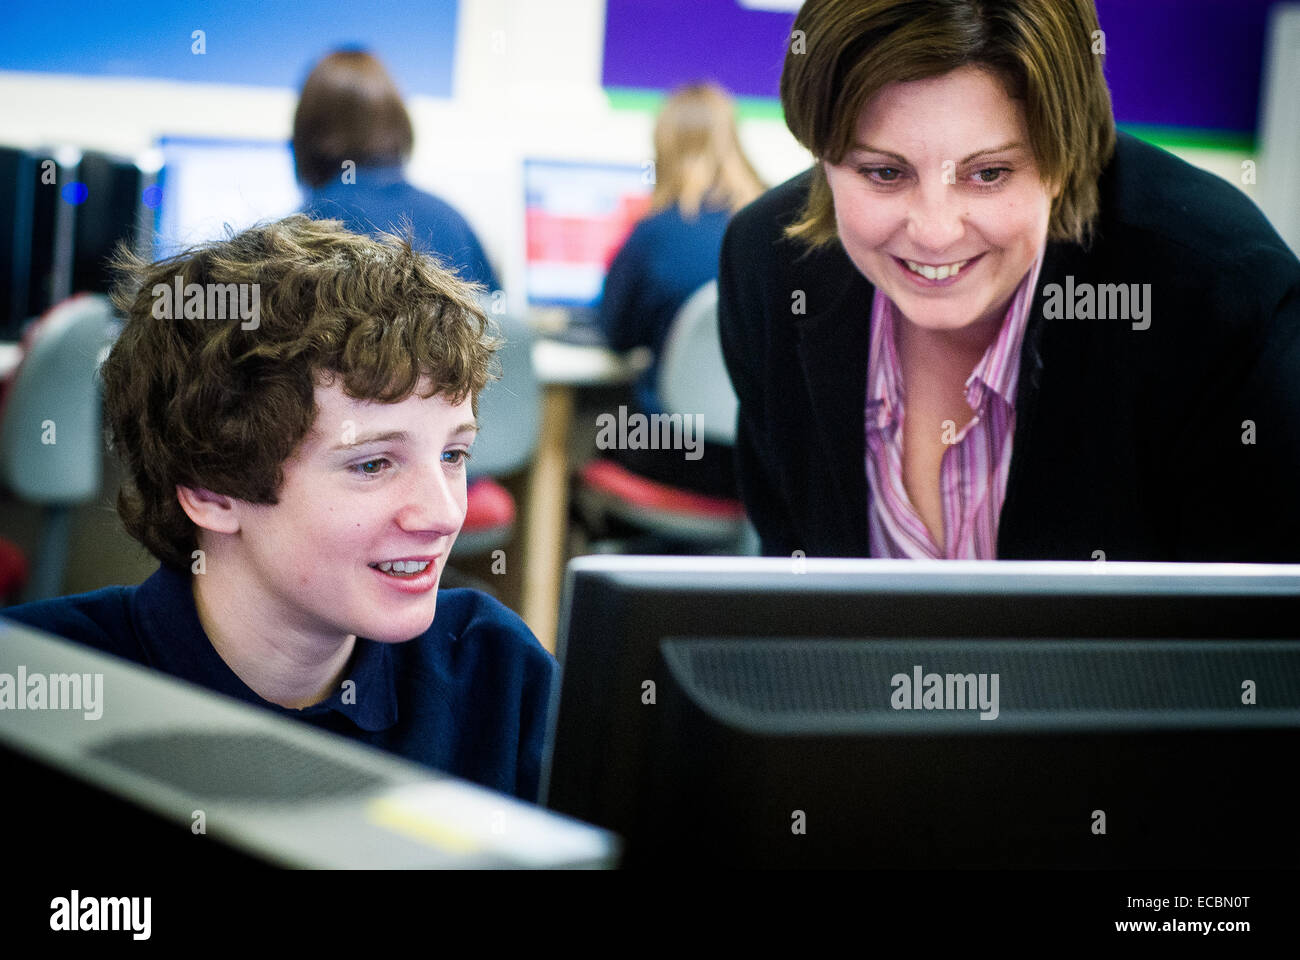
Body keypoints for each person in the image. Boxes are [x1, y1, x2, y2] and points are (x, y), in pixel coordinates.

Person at [719, 0, 1300, 562]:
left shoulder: (1218, 295)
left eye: (989, 173)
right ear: (822, 156)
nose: (935, 233)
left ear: (1064, 158)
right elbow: (793, 591)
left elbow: (1255, 621)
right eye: (885, 172)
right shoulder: (768, 269)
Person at [2, 215, 556, 802]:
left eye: (453, 454)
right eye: (372, 465)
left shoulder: (495, 671)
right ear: (212, 491)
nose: (443, 515)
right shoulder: (37, 685)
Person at [597, 82, 765, 499]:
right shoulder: (776, 227)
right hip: (762, 458)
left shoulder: (655, 232)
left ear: (664, 149)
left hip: (673, 451)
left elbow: (616, 336)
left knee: (595, 431)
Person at [294, 49, 499, 292]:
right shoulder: (454, 222)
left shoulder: (309, 227)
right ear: (399, 125)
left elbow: (262, 307)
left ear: (307, 137)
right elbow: (498, 312)